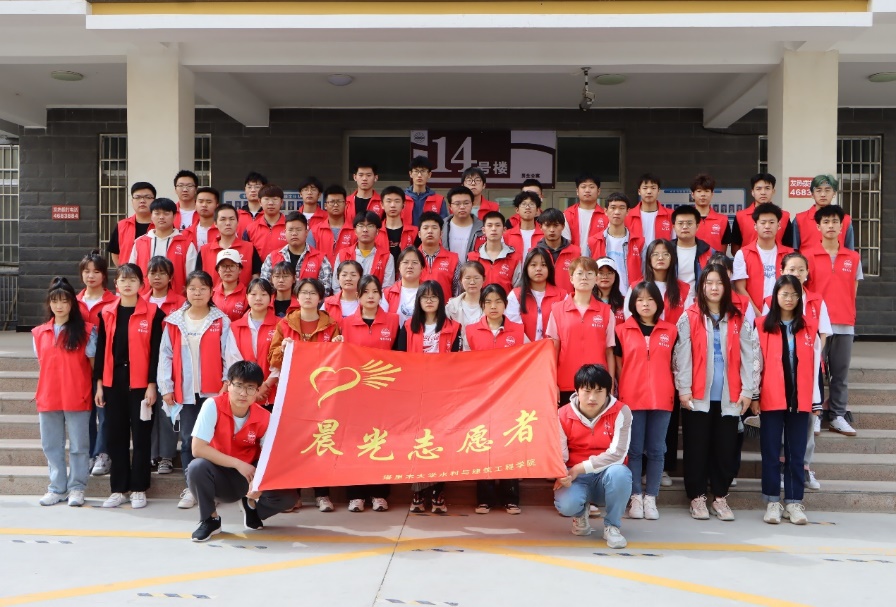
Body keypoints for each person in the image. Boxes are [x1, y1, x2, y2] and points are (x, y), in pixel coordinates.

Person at [674, 265, 753, 521]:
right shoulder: (689, 316)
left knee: (725, 449)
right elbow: (682, 356)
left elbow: (749, 355)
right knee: (696, 448)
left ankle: (720, 496)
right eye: (709, 282)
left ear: (726, 287)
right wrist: (683, 388)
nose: (715, 287)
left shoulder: (738, 317)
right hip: (697, 396)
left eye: (719, 283)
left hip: (730, 395)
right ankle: (697, 497)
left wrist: (748, 390)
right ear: (702, 286)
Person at [159, 270, 242, 510]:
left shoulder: (221, 320)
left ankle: (217, 488)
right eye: (193, 288)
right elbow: (165, 355)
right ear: (185, 290)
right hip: (185, 393)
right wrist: (166, 386)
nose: (197, 293)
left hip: (214, 393)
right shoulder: (174, 321)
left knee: (216, 442)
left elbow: (230, 354)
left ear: (211, 291)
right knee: (188, 441)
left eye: (203, 288)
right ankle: (192, 488)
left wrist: (227, 382)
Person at [186, 361, 295, 542]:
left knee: (288, 498)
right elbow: (197, 448)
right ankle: (210, 519)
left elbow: (269, 457)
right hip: (219, 473)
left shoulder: (265, 417)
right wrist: (238, 464)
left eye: (250, 388)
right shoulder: (212, 405)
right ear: (228, 385)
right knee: (196, 467)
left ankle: (252, 507)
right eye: (238, 386)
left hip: (248, 475)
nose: (243, 393)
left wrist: (259, 482)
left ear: (258, 390)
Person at [95, 264, 165, 509]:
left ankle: (139, 488)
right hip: (114, 382)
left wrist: (152, 384)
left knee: (142, 436)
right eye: (123, 279)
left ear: (141, 284)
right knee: (116, 436)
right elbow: (102, 350)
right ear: (115, 284)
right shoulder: (106, 313)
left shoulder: (154, 313)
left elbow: (156, 353)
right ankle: (118, 489)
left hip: (141, 385)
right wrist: (99, 384)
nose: (127, 284)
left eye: (132, 279)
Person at [752, 275, 820, 525]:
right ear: (775, 296)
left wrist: (816, 401)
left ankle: (793, 502)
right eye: (784, 294)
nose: (789, 298)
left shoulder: (809, 326)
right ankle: (772, 502)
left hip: (800, 399)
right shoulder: (761, 325)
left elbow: (816, 365)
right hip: (771, 398)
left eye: (794, 294)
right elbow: (755, 362)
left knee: (796, 453)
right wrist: (755, 395)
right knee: (770, 452)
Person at [268, 278, 340, 513]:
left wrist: (339, 345)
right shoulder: (285, 324)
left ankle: (322, 494)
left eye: (313, 293)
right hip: (294, 393)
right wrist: (283, 348)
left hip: (322, 394)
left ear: (320, 297)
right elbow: (273, 358)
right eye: (304, 292)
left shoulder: (331, 325)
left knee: (322, 441)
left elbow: (338, 362)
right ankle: (295, 495)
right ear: (297, 296)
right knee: (296, 444)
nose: (308, 297)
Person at [394, 281, 461, 514]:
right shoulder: (407, 327)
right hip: (415, 395)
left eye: (434, 297)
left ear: (441, 301)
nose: (429, 300)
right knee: (417, 443)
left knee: (439, 443)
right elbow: (400, 360)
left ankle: (438, 492)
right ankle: (418, 492)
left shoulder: (454, 327)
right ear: (418, 301)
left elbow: (458, 362)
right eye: (425, 297)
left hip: (443, 395)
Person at [335, 275, 400, 512]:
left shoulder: (393, 321)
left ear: (381, 295)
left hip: (385, 393)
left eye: (375, 292)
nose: (371, 296)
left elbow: (400, 356)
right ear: (358, 296)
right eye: (366, 292)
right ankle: (356, 495)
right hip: (355, 393)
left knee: (381, 441)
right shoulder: (345, 324)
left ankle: (379, 494)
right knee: (355, 443)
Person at [614, 281, 677, 521]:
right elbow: (619, 367)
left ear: (658, 303)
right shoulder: (622, 330)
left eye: (650, 299)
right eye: (640, 300)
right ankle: (635, 497)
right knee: (634, 450)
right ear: (633, 303)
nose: (645, 304)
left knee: (657, 450)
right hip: (632, 398)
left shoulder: (671, 331)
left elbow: (676, 364)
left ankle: (651, 497)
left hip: (662, 397)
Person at [32, 277, 97, 507]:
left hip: (77, 395)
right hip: (48, 395)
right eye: (55, 301)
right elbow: (42, 363)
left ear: (72, 304)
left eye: (64, 301)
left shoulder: (87, 331)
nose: (59, 306)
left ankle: (77, 487)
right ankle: (57, 488)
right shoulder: (39, 333)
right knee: (51, 445)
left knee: (79, 446)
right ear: (49, 303)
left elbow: (93, 367)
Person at [554, 364, 632, 549]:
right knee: (567, 505)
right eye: (587, 390)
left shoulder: (621, 411)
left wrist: (579, 468)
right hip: (575, 477)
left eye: (599, 391)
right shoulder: (562, 414)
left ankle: (612, 526)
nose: (592, 397)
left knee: (620, 473)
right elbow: (559, 453)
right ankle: (580, 513)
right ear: (576, 391)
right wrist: (561, 473)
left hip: (606, 475)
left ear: (608, 391)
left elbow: (618, 454)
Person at [465, 284, 526, 515]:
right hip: (480, 398)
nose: (493, 306)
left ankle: (511, 498)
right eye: (488, 302)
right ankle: (485, 499)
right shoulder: (471, 330)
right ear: (482, 305)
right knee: (483, 445)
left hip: (509, 397)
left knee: (509, 444)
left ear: (505, 305)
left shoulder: (518, 331)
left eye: (498, 301)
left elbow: (530, 356)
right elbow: (464, 364)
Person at [804, 204, 862, 437]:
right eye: (826, 222)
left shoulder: (853, 257)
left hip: (844, 323)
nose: (831, 226)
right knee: (815, 372)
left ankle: (837, 415)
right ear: (818, 226)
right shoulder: (808, 255)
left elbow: (853, 290)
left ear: (842, 226)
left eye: (835, 222)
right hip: (816, 324)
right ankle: (816, 415)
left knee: (840, 373)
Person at [546, 257, 616, 404]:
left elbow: (609, 351)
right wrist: (552, 382)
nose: (584, 277)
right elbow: (553, 350)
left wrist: (610, 384)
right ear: (571, 279)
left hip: (597, 385)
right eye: (580, 273)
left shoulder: (606, 312)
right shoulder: (557, 310)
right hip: (565, 382)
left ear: (596, 279)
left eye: (589, 274)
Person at [144, 256, 187, 475]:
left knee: (168, 410)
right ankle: (152, 454)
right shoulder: (140, 301)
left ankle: (167, 456)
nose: (157, 277)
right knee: (149, 410)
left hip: (172, 363)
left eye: (162, 273)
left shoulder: (181, 303)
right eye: (153, 272)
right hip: (145, 361)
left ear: (171, 277)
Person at [75, 251, 116, 476]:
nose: (91, 276)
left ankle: (103, 453)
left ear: (104, 275)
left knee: (105, 412)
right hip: (79, 367)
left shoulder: (115, 301)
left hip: (107, 365)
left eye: (96, 271)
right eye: (86, 271)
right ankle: (89, 453)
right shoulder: (73, 302)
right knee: (86, 414)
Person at [732, 203, 794, 316]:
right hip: (752, 316)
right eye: (763, 222)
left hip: (783, 315)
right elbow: (740, 288)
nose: (767, 226)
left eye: (771, 222)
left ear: (779, 225)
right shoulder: (742, 254)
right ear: (755, 226)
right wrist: (758, 315)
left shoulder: (790, 255)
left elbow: (794, 286)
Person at [227, 278, 279, 410]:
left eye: (263, 294)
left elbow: (281, 359)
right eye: (253, 294)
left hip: (273, 392)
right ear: (246, 297)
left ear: (271, 297)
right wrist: (251, 387)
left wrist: (266, 385)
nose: (258, 298)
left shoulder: (280, 325)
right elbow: (233, 358)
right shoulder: (235, 327)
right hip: (243, 393)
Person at [129, 197, 198, 295]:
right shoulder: (140, 242)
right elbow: (132, 273)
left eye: (166, 213)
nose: (161, 217)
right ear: (151, 216)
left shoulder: (186, 244)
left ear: (174, 216)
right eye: (157, 213)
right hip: (144, 298)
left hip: (177, 299)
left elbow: (192, 276)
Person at [625, 239, 692, 325]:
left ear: (672, 258)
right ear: (649, 259)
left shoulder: (684, 290)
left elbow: (688, 320)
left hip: (675, 333)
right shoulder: (636, 287)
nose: (660, 258)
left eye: (666, 254)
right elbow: (629, 317)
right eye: (655, 254)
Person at [260, 211, 332, 291]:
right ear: (285, 232)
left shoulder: (320, 259)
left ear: (306, 232)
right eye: (290, 230)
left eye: (298, 230)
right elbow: (264, 287)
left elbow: (325, 289)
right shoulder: (272, 257)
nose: (294, 233)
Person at [506, 248, 566, 343]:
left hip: (554, 349)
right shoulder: (515, 295)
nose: (538, 269)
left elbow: (565, 327)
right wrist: (534, 349)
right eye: (533, 265)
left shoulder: (562, 296)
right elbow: (513, 326)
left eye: (543, 265)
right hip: (525, 349)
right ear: (526, 268)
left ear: (549, 268)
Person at [588, 192, 642, 294]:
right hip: (600, 297)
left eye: (621, 208)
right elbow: (587, 272)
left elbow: (645, 274)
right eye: (613, 208)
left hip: (631, 296)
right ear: (605, 211)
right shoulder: (592, 242)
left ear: (628, 211)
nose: (617, 212)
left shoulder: (639, 242)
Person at [197, 203, 261, 289]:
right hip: (213, 297)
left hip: (242, 297)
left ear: (238, 222)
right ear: (215, 223)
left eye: (232, 219)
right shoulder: (204, 251)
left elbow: (256, 279)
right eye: (223, 219)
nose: (228, 223)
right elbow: (199, 280)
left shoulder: (249, 248)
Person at [332, 211, 395, 293]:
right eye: (361, 226)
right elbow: (336, 286)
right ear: (355, 231)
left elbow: (387, 288)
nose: (365, 230)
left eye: (370, 226)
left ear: (377, 231)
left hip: (375, 300)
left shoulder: (387, 257)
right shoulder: (343, 254)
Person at [731, 173, 793, 254]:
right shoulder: (740, 216)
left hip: (777, 260)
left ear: (773, 191)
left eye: (767, 188)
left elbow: (788, 246)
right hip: (748, 260)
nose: (763, 192)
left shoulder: (784, 216)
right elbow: (735, 247)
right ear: (752, 192)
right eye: (758, 189)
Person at [793, 174, 854, 251]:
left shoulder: (845, 220)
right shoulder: (800, 219)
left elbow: (850, 250)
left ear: (834, 193)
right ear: (812, 194)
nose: (823, 194)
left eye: (827, 190)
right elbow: (793, 250)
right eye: (818, 190)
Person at [466, 211, 522, 293]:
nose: (493, 229)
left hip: (506, 301)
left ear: (504, 230)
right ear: (483, 230)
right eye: (489, 225)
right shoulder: (472, 258)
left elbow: (518, 290)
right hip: (479, 301)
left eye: (497, 225)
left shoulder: (515, 258)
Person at [625, 173, 673, 263]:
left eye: (653, 188)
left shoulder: (671, 215)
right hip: (636, 262)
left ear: (658, 191)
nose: (649, 191)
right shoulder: (627, 216)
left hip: (662, 262)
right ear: (639, 191)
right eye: (645, 188)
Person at [535, 208, 581, 294]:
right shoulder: (534, 253)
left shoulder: (576, 252)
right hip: (543, 300)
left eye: (556, 225)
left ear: (563, 226)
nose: (552, 230)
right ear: (540, 227)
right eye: (548, 226)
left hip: (568, 300)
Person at [670, 205, 714, 293]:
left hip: (699, 300)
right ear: (674, 227)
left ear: (697, 226)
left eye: (689, 223)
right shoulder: (666, 251)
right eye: (680, 223)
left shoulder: (709, 252)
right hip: (672, 299)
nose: (685, 227)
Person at [108, 182, 155, 266]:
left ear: (154, 201)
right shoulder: (122, 225)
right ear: (132, 201)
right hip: (128, 273)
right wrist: (124, 271)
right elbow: (115, 253)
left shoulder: (161, 225)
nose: (142, 201)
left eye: (147, 197)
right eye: (137, 197)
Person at [562, 172, 608, 256]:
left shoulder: (606, 215)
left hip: (598, 261)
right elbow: (566, 243)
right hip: (575, 261)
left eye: (591, 187)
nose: (587, 190)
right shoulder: (567, 214)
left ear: (598, 191)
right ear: (577, 191)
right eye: (583, 187)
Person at [418, 212, 460, 298]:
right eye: (425, 228)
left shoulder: (453, 259)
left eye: (434, 228)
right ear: (419, 234)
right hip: (416, 306)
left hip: (446, 306)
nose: (430, 231)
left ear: (441, 234)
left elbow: (458, 292)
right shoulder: (410, 259)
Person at [446, 260, 486, 351]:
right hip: (458, 355)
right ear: (460, 280)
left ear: (484, 279)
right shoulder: (451, 307)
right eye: (467, 278)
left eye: (476, 278)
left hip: (484, 354)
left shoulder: (491, 306)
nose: (472, 282)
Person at [311, 184, 355, 264]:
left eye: (339, 201)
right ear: (325, 205)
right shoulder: (314, 231)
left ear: (346, 204)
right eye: (332, 202)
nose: (335, 205)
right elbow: (310, 258)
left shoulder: (355, 231)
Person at [690, 174, 732, 254]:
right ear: (692, 195)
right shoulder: (686, 219)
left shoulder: (722, 220)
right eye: (699, 191)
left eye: (706, 191)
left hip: (714, 261)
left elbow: (723, 249)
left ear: (712, 194)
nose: (703, 194)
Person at [379, 185, 419, 268]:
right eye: (389, 201)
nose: (393, 205)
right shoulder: (375, 231)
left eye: (397, 201)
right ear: (382, 205)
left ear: (403, 204)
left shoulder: (414, 232)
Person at [245, 184, 287, 262]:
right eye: (266, 199)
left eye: (275, 199)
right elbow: (246, 256)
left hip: (285, 269)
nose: (270, 203)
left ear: (281, 202)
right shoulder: (250, 229)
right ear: (260, 202)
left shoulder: (291, 226)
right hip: (259, 270)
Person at [385, 247, 425, 325]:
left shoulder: (429, 292)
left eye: (415, 262)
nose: (410, 266)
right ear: (399, 267)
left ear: (422, 268)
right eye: (405, 262)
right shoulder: (387, 293)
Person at [441, 186, 485, 257]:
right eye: (457, 204)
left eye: (466, 203)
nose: (462, 207)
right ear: (450, 207)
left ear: (472, 204)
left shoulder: (483, 228)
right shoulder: (441, 226)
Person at [405, 156, 448, 225]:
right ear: (410, 174)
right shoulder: (401, 198)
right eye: (416, 171)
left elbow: (443, 224)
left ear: (429, 174)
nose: (419, 175)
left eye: (423, 171)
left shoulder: (439, 200)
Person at [322, 260, 364, 328]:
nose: (348, 278)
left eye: (353, 275)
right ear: (338, 278)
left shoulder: (366, 303)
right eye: (344, 275)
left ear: (361, 278)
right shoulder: (328, 303)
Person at [503, 190, 543, 258]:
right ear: (517, 210)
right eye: (523, 204)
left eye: (531, 204)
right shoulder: (507, 235)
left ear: (537, 210)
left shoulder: (544, 234)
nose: (527, 207)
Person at [212, 249, 249, 322]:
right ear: (218, 270)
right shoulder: (211, 293)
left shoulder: (248, 294)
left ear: (240, 269)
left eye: (232, 266)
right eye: (223, 266)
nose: (228, 270)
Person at [594, 257, 626, 325]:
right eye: (601, 273)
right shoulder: (587, 300)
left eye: (610, 273)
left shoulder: (625, 302)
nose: (605, 276)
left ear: (615, 276)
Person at [237, 171, 268, 237]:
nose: (253, 190)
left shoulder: (270, 214)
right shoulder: (236, 215)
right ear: (245, 189)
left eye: (257, 187)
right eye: (249, 187)